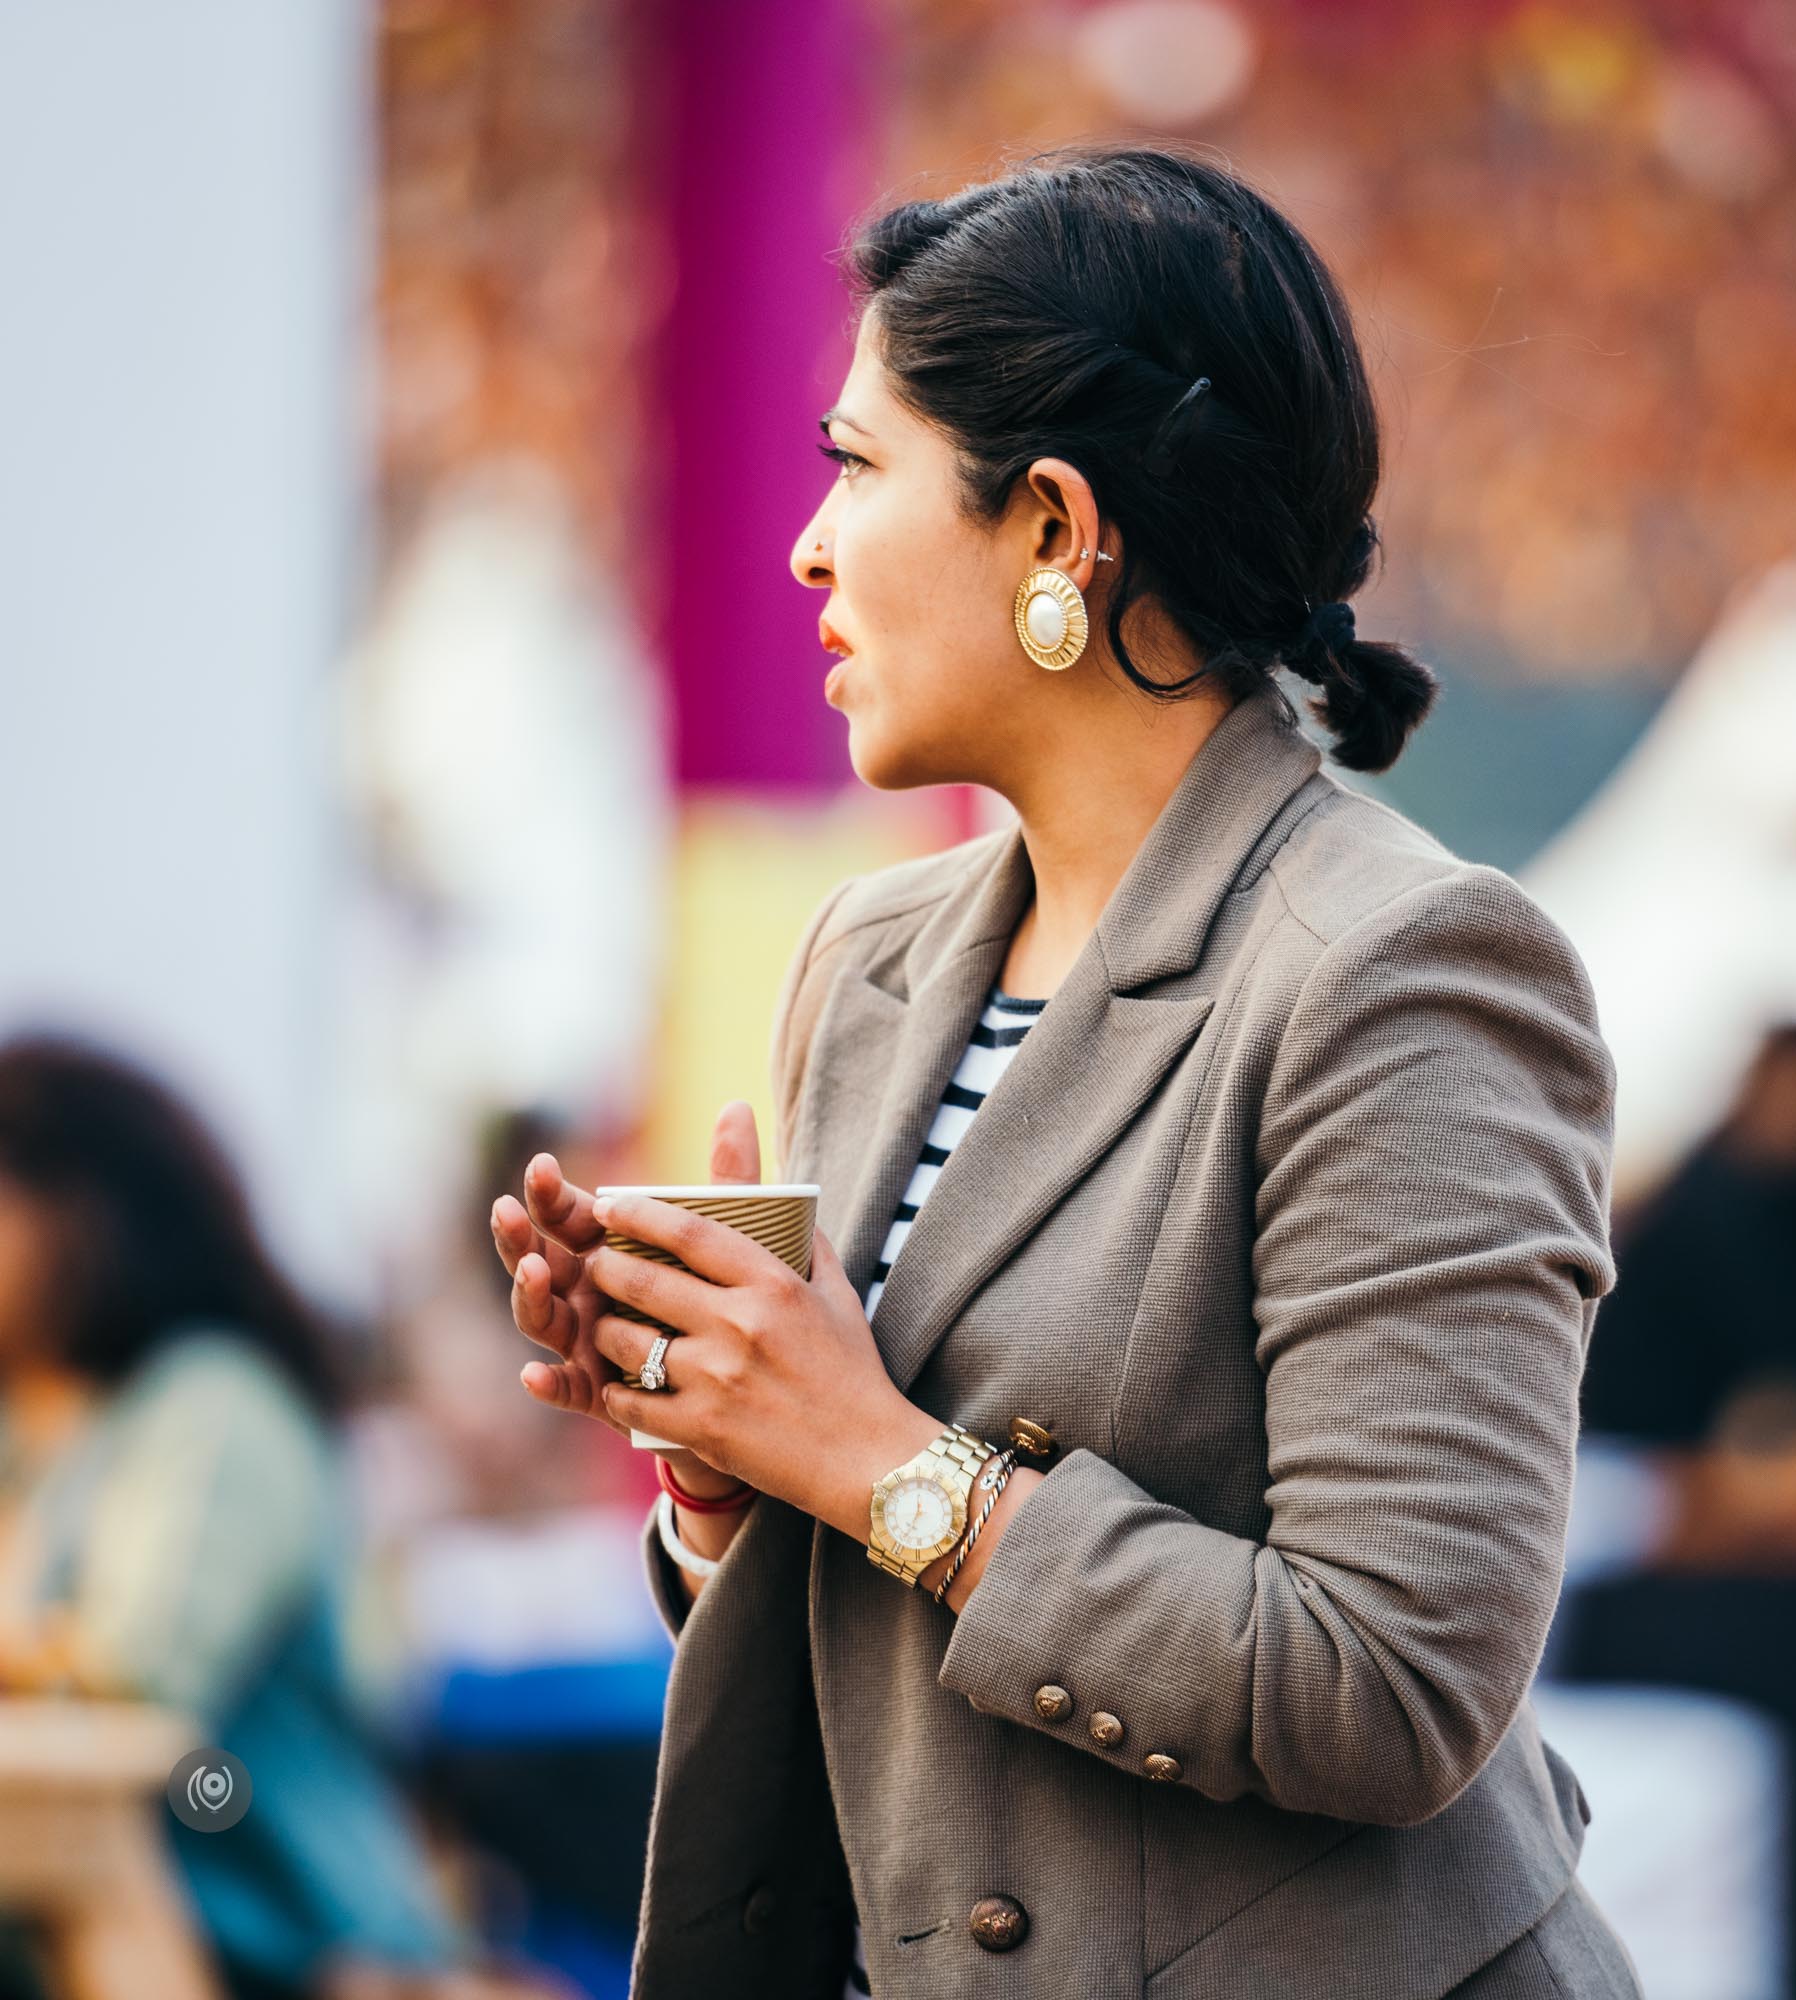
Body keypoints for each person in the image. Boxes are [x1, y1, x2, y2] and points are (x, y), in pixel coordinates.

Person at [492, 141, 1641, 1998]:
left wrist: (875, 1461)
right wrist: (725, 1457)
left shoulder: (1405, 972)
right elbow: (873, 1572)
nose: (806, 541)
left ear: (1051, 529)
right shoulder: (869, 960)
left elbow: (1396, 1680)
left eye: (857, 464)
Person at [0, 1035, 489, 2000]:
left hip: (285, 1954)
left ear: (77, 1216)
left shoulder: (212, 1408)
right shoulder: (40, 1428)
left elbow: (122, 1685)